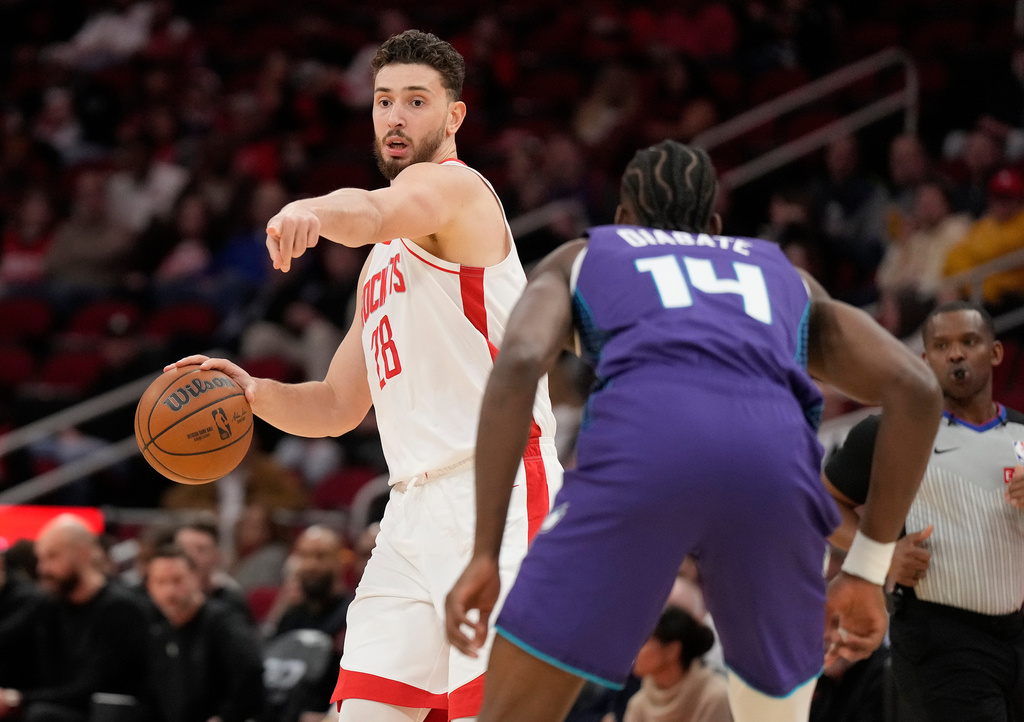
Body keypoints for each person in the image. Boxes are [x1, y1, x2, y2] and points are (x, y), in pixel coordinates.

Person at [445, 140, 942, 722]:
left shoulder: (587, 254)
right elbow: (917, 389)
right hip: (774, 471)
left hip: (644, 456)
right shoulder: (787, 277)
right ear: (715, 227)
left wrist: (484, 553)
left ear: (622, 220)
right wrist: (866, 570)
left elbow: (521, 359)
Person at [168, 28, 561, 722]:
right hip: (409, 509)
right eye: (384, 101)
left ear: (454, 115)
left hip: (496, 489)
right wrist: (252, 393)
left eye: (416, 100)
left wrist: (310, 211)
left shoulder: (456, 190)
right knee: (364, 713)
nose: (396, 117)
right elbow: (335, 405)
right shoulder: (381, 264)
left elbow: (375, 209)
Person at [824, 300, 1024, 722]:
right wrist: (880, 554)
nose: (955, 354)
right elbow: (818, 502)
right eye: (941, 345)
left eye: (969, 341)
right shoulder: (888, 431)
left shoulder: (1021, 431)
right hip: (940, 639)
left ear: (995, 352)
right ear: (924, 359)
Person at [0, 515, 150, 722]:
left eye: (52, 557)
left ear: (82, 553)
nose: (42, 569)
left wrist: (18, 699)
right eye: (41, 559)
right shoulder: (50, 606)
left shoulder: (120, 610)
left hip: (105, 714)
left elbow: (93, 688)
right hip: (55, 708)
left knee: (40, 716)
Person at [144, 545, 265, 722]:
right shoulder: (159, 633)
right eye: (160, 582)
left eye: (177, 580)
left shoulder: (224, 622)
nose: (170, 591)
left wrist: (226, 716)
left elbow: (251, 672)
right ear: (149, 587)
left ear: (195, 579)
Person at [623, 606, 731, 722]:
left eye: (643, 642)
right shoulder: (638, 705)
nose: (632, 650)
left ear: (673, 650)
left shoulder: (715, 697)